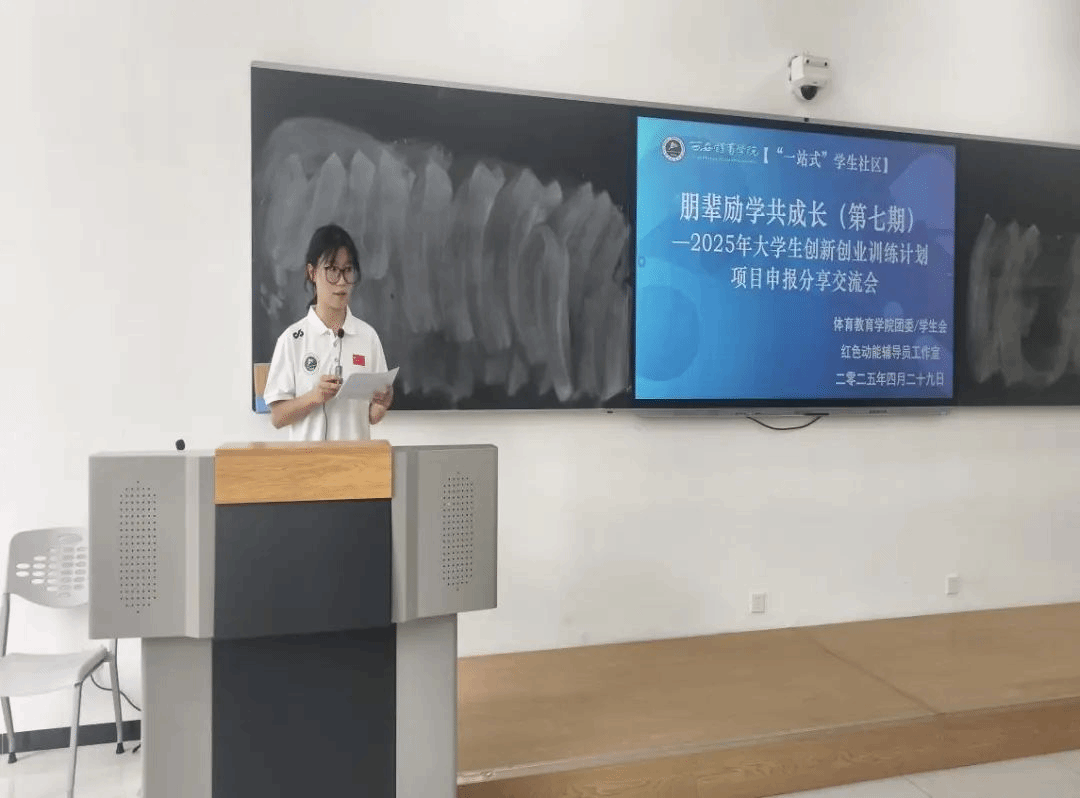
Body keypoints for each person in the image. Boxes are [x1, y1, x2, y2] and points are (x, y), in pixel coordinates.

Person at [263, 224, 394, 441]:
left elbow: (371, 416)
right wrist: (314, 397)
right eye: (332, 270)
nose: (341, 281)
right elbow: (277, 417)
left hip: (357, 460)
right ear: (312, 272)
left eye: (348, 270)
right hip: (308, 461)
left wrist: (381, 405)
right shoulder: (292, 339)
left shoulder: (367, 336)